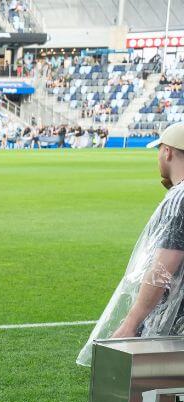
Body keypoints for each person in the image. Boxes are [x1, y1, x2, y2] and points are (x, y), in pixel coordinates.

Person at [78, 122, 184, 365]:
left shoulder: (179, 198)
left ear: (167, 152)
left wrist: (131, 323)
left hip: (175, 323)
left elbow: (163, 269)